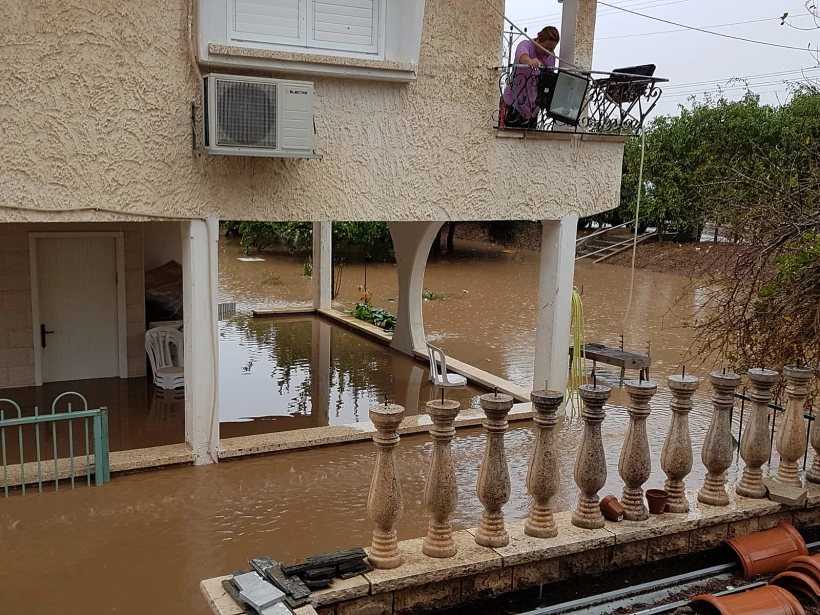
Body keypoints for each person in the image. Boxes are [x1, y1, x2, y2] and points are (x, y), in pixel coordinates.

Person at [501, 26, 560, 129]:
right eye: (546, 48)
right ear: (538, 41)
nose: (548, 52)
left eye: (552, 49)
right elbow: (521, 55)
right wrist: (530, 61)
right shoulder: (526, 45)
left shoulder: (551, 57)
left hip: (533, 108)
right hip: (514, 104)